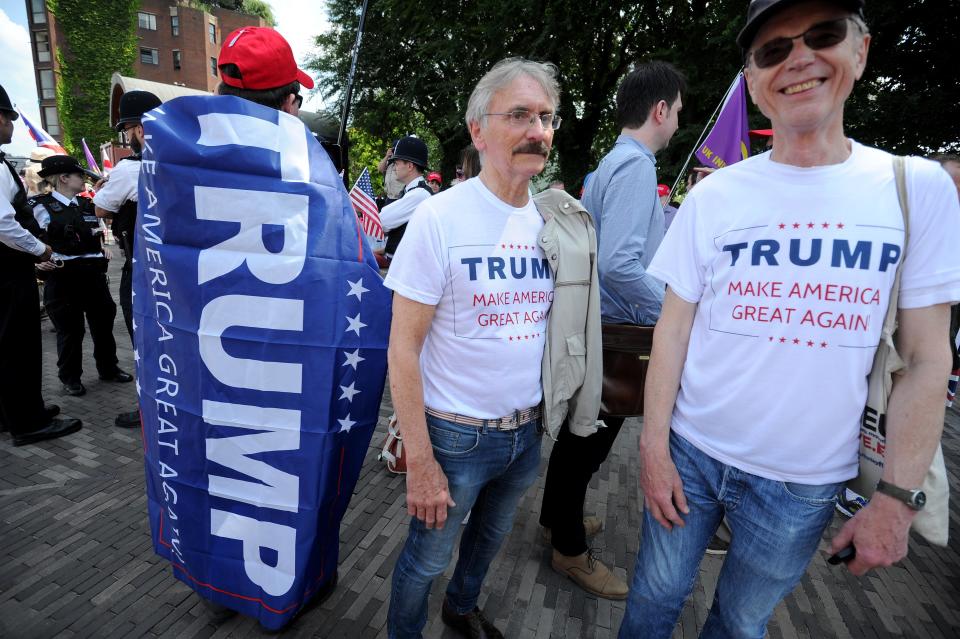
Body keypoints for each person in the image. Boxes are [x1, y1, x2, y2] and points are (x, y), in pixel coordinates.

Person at [619, 2, 960, 637]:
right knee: (653, 600)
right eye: (773, 50)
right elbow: (673, 329)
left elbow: (927, 358)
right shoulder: (715, 194)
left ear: (859, 50)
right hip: (690, 452)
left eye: (822, 36)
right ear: (753, 80)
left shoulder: (916, 187)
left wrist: (896, 499)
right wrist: (652, 445)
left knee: (741, 624)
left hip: (803, 484)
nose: (798, 58)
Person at [386, 57, 574, 639]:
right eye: (518, 115)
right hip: (455, 435)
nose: (537, 131)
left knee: (488, 543)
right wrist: (420, 461)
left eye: (545, 117)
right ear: (477, 129)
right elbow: (402, 347)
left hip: (525, 431)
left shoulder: (553, 222)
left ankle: (461, 608)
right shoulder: (439, 217)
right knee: (427, 558)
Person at [539, 60, 685, 600]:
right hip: (617, 332)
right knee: (588, 445)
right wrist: (666, 313)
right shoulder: (637, 167)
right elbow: (622, 264)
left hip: (602, 325)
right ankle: (569, 550)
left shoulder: (610, 165)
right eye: (677, 113)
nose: (676, 125)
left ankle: (559, 521)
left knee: (582, 439)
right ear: (660, 109)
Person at [0, 83, 82, 446]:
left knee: (8, 346)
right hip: (7, 271)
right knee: (18, 347)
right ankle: (28, 422)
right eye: (9, 119)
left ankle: (15, 411)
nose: (12, 127)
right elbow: (3, 223)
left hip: (7, 269)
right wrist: (41, 251)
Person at [31, 155, 132, 396]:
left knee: (103, 324)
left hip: (93, 276)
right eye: (79, 175)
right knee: (71, 330)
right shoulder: (39, 206)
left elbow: (101, 228)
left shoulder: (88, 205)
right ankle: (70, 378)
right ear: (64, 178)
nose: (84, 179)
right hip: (64, 277)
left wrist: (101, 248)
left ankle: (109, 368)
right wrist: (37, 262)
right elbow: (29, 239)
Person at [94, 89, 161, 427]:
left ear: (140, 129)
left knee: (146, 344)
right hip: (180, 272)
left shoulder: (129, 170)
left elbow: (101, 207)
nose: (128, 139)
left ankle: (150, 409)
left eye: (127, 130)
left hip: (142, 271)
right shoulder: (187, 162)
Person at [380, 136, 432, 260]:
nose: (394, 167)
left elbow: (382, 221)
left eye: (397, 163)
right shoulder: (412, 191)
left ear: (409, 166)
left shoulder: (419, 194)